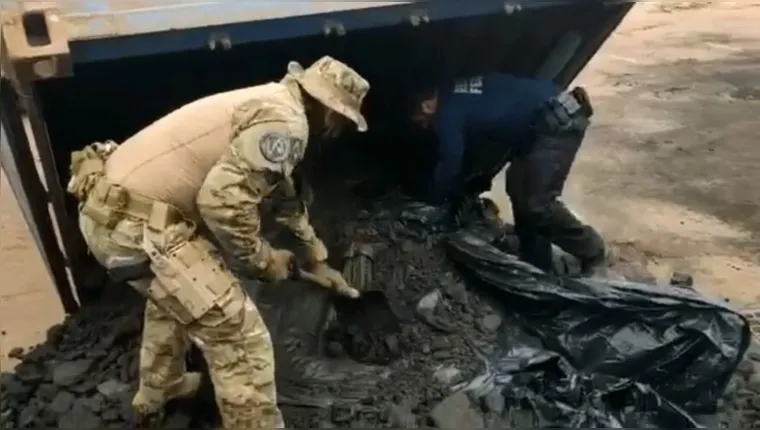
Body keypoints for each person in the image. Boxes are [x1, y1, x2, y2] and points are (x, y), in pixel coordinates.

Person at [65, 56, 369, 428]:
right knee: (239, 334)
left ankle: (162, 389)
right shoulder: (288, 125)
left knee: (176, 298)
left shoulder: (271, 100)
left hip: (106, 210)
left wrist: (316, 256)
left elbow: (283, 196)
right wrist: (262, 260)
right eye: (341, 120)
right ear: (331, 110)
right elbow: (222, 205)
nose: (336, 130)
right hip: (135, 227)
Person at [410, 73, 607, 276]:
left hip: (557, 124)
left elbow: (451, 160)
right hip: (542, 121)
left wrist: (434, 198)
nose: (426, 127)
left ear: (427, 105)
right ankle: (536, 263)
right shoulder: (453, 89)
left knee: (538, 204)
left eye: (422, 121)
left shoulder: (447, 112)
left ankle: (593, 252)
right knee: (518, 188)